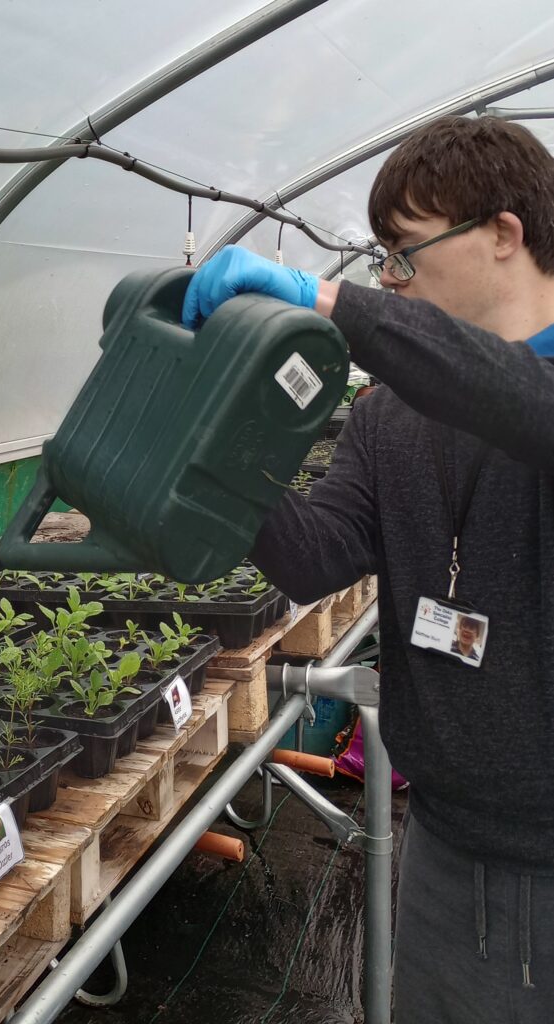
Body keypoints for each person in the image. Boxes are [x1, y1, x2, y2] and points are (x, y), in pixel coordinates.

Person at [182, 115, 554, 1024]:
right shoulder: (390, 419)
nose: (395, 277)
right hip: (444, 843)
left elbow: (521, 403)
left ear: (503, 235)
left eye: (406, 253)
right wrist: (219, 442)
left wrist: (333, 303)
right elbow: (315, 557)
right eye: (381, 259)